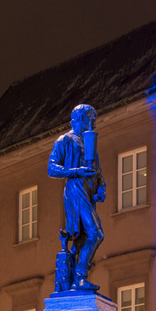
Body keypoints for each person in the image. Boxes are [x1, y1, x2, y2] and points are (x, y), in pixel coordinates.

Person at [48, 103, 106, 290]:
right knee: (96, 233)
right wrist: (76, 171)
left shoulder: (89, 143)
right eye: (91, 120)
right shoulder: (65, 140)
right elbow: (52, 168)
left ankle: (72, 280)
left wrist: (101, 188)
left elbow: (97, 172)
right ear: (80, 119)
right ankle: (80, 275)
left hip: (88, 193)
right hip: (75, 190)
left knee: (81, 239)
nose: (93, 125)